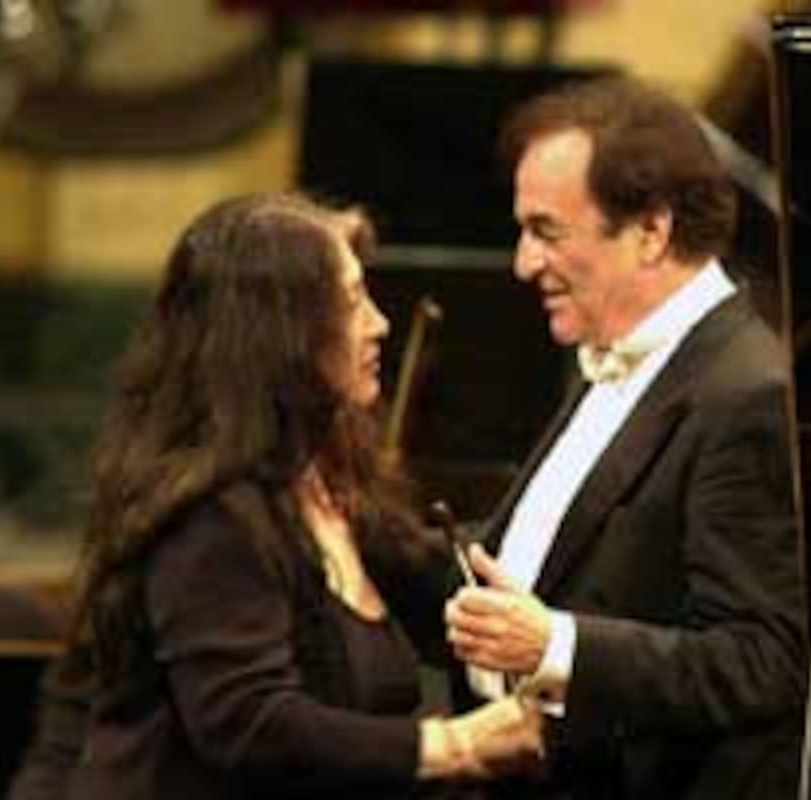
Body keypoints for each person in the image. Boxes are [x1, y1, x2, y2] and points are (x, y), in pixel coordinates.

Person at [41, 191, 541, 800]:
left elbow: (445, 590)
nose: (380, 324)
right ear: (280, 333)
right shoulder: (211, 513)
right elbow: (248, 724)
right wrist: (457, 745)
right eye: (354, 301)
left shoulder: (331, 485)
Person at [444, 76, 809, 799]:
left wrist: (559, 647)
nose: (522, 263)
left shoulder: (749, 395)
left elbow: (764, 663)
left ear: (652, 231)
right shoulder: (609, 355)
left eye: (546, 231)